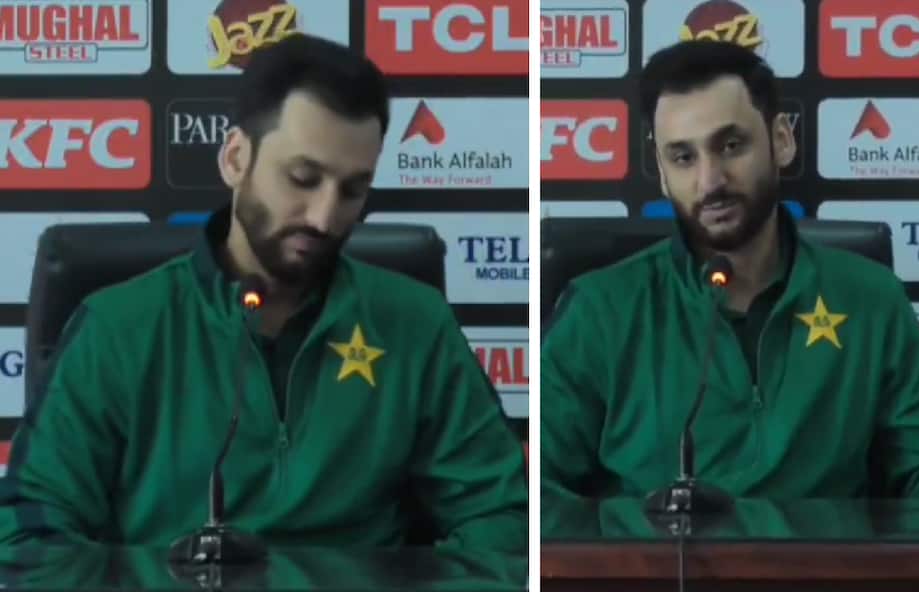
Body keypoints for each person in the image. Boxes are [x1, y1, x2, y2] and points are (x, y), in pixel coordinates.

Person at [0, 34, 526, 553]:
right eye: (302, 178)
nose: (324, 217)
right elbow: (30, 536)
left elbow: (504, 517)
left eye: (353, 189)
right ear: (235, 159)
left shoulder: (416, 323)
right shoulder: (117, 328)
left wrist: (414, 585)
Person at [540, 40, 919, 504]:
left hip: (827, 574)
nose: (709, 181)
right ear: (661, 171)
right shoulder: (600, 311)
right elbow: (539, 495)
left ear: (781, 140)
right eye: (682, 157)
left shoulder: (871, 298)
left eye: (730, 146)